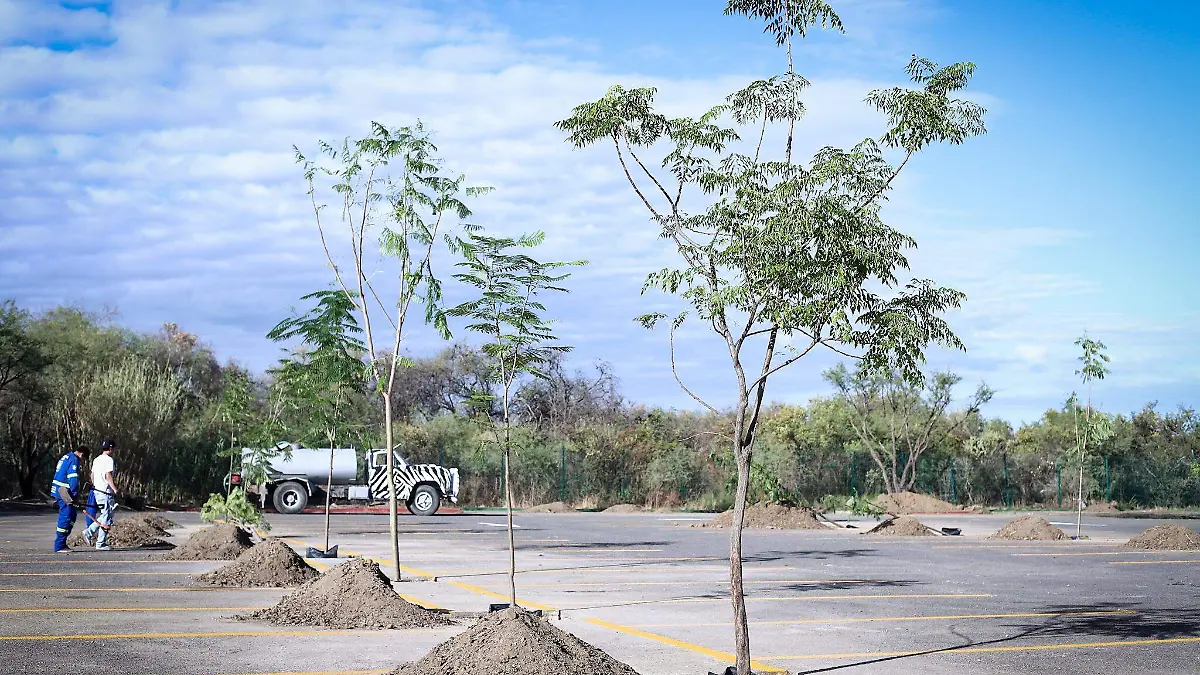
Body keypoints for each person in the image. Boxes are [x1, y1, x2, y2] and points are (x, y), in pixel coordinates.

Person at [51, 445, 89, 553]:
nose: (82, 462)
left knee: (72, 515)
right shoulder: (74, 460)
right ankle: (59, 545)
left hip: (60, 489)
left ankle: (62, 542)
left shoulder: (66, 456)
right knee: (66, 516)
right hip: (63, 491)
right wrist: (75, 495)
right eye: (83, 459)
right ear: (81, 454)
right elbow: (73, 480)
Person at [82, 439, 117, 550]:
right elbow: (108, 475)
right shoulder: (109, 460)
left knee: (106, 515)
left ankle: (89, 531)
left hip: (98, 491)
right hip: (105, 492)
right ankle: (100, 543)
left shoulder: (96, 460)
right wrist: (115, 489)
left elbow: (92, 475)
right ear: (111, 448)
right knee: (107, 517)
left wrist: (96, 485)